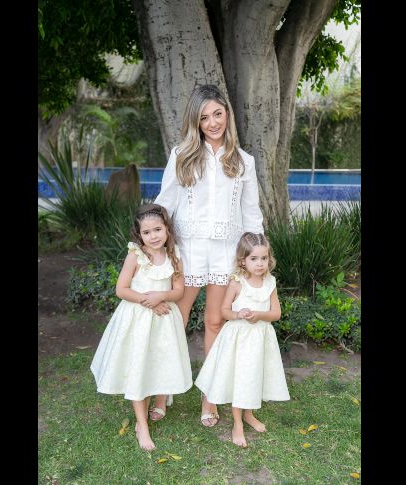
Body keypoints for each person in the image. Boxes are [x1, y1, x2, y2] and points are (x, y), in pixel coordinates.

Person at [153, 84, 264, 427]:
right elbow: (165, 203)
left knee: (215, 322)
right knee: (175, 319)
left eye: (218, 113)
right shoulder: (181, 155)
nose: (213, 122)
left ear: (227, 114)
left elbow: (251, 213)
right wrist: (152, 247)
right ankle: (162, 390)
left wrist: (256, 255)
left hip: (225, 252)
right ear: (196, 122)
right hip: (187, 250)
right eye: (204, 117)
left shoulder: (243, 161)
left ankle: (210, 395)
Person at [89, 203, 193, 451]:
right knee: (138, 367)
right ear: (139, 235)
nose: (153, 236)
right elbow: (121, 289)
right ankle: (141, 424)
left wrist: (161, 297)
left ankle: (160, 398)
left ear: (167, 229)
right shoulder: (135, 255)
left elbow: (178, 291)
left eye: (158, 229)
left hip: (164, 321)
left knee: (158, 362)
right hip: (137, 319)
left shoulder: (174, 256)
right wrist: (149, 301)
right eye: (147, 232)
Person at [194, 232, 290, 447]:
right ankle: (237, 422)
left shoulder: (270, 283)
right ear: (242, 261)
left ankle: (249, 414)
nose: (259, 264)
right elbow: (224, 311)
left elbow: (276, 313)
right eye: (253, 259)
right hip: (238, 340)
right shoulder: (237, 282)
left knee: (253, 377)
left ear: (269, 259)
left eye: (263, 258)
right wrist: (239, 314)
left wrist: (260, 315)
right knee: (240, 378)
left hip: (260, 339)